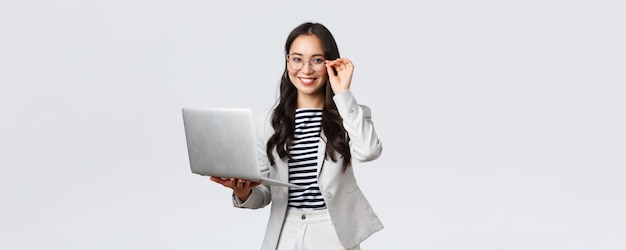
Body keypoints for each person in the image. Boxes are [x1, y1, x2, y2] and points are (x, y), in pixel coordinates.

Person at [210, 22, 383, 250]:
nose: (306, 69)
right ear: (287, 62)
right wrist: (242, 192)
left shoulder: (350, 113)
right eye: (297, 59)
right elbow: (263, 192)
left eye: (317, 60)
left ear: (331, 63)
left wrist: (343, 94)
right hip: (285, 230)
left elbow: (369, 151)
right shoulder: (268, 120)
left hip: (333, 230)